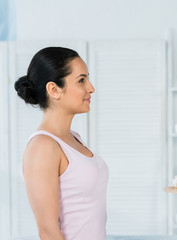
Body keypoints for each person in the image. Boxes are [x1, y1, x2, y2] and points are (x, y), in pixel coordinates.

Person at [14, 47, 109, 240]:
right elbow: (48, 230)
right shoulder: (43, 147)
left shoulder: (74, 138)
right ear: (54, 90)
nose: (91, 88)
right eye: (81, 80)